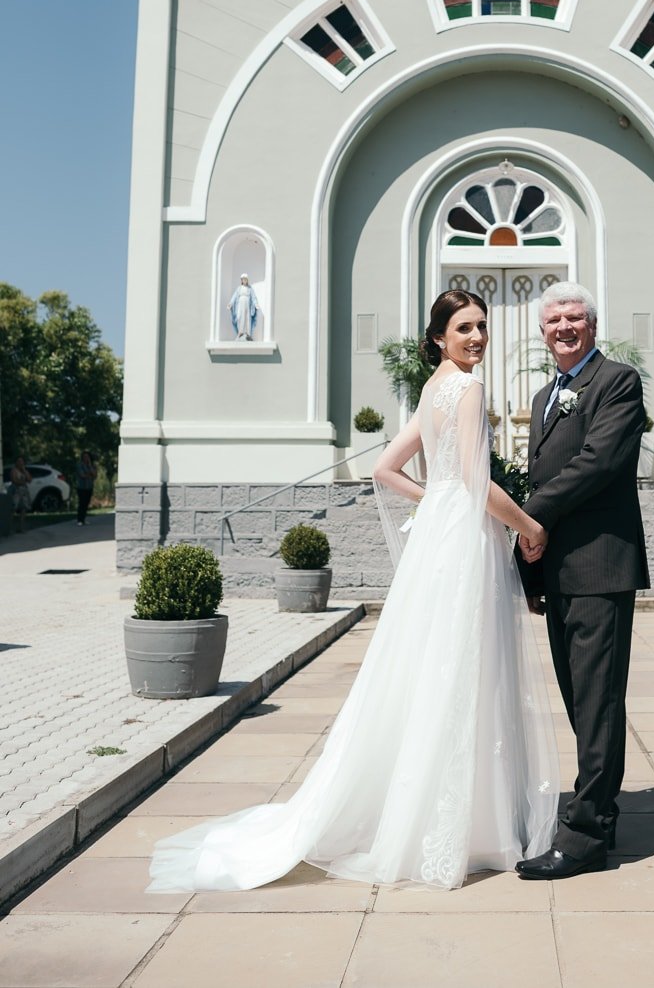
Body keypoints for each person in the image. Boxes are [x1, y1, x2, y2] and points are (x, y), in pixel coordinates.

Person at [147, 289, 557, 894]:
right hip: (461, 543)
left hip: (440, 540)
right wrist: (528, 524)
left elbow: (385, 469)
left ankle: (430, 809)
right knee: (463, 666)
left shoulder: (432, 388)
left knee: (430, 666)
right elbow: (475, 478)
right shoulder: (467, 389)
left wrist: (437, 501)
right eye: (464, 328)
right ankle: (467, 823)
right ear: (439, 337)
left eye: (482, 326)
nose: (477, 337)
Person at [514, 282, 648, 880]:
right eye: (554, 320)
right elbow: (543, 466)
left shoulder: (617, 381)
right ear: (543, 331)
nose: (564, 327)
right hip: (559, 568)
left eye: (574, 317)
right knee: (578, 698)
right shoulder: (547, 394)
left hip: (599, 565)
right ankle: (602, 806)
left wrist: (528, 514)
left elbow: (599, 462)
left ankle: (586, 835)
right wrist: (530, 559)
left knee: (597, 701)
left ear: (592, 326)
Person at [229, 274, 258, 340]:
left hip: (247, 303)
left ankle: (248, 333)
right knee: (240, 316)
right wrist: (230, 303)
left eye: (245, 279)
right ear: (241, 281)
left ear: (247, 280)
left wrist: (256, 304)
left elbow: (253, 297)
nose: (244, 281)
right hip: (241, 303)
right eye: (243, 279)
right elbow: (234, 296)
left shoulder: (250, 288)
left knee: (248, 317)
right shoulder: (239, 288)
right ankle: (240, 331)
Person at [9, 457, 31, 533]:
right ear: (16, 462)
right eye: (19, 461)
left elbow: (29, 480)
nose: (21, 463)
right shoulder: (14, 470)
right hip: (16, 490)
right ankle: (9, 528)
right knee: (13, 508)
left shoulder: (24, 471)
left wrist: (24, 471)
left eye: (22, 461)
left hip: (24, 491)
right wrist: (22, 482)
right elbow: (14, 480)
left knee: (23, 509)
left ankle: (21, 528)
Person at [76, 450, 97, 525]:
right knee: (81, 503)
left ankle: (83, 519)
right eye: (84, 457)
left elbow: (94, 475)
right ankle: (79, 520)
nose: (86, 458)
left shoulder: (92, 465)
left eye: (87, 457)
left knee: (86, 504)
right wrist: (89, 474)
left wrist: (90, 466)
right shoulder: (80, 465)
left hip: (89, 487)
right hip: (81, 487)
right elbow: (82, 475)